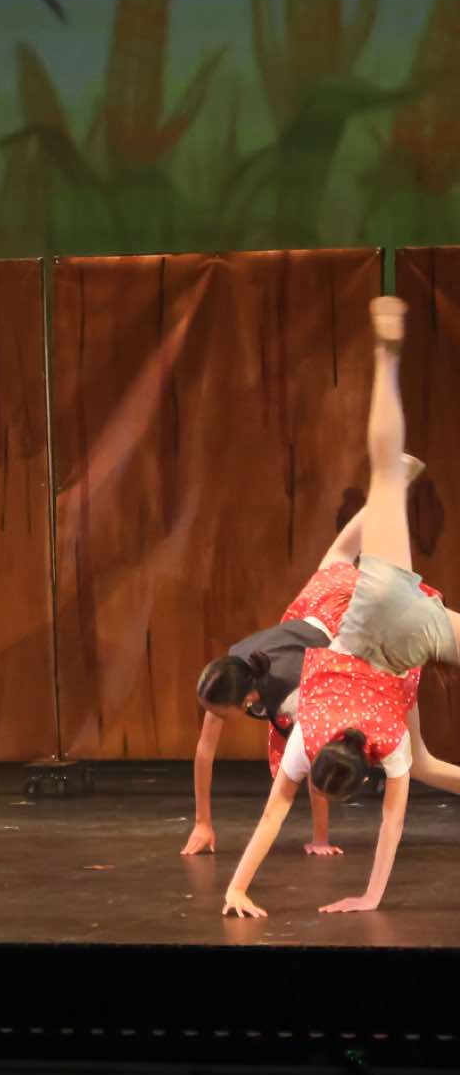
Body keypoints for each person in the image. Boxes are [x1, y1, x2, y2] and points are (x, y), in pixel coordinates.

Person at [223, 298, 458, 918]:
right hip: (372, 612)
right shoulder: (307, 734)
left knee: (424, 763)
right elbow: (274, 813)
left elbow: (391, 827)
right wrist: (234, 887)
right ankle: (385, 356)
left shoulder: (390, 748)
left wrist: (370, 897)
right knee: (384, 472)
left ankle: (385, 359)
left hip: (410, 639)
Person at [182, 457, 424, 858]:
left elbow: (313, 759)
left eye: (217, 712)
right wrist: (202, 821)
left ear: (245, 700)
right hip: (311, 608)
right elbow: (204, 753)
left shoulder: (292, 698)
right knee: (340, 553)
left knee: (391, 587)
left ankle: (392, 492)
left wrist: (320, 837)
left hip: (338, 624)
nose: (211, 718)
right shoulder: (230, 672)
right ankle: (392, 481)